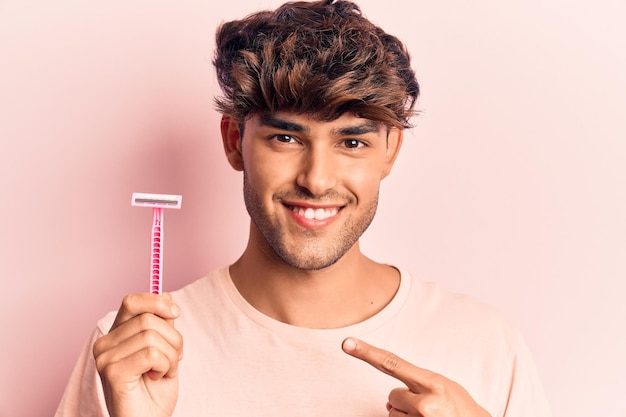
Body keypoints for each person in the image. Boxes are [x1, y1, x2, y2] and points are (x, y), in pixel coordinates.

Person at [55, 1, 552, 416]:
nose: (316, 179)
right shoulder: (130, 355)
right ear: (234, 141)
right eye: (285, 137)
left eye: (352, 142)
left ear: (391, 151)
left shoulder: (484, 345)